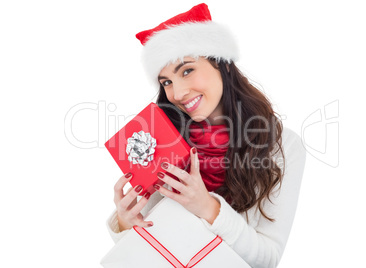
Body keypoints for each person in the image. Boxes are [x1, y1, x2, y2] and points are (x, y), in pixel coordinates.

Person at [106, 3, 306, 268]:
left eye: (187, 70)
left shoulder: (282, 146)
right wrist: (126, 222)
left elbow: (267, 260)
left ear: (220, 63)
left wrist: (207, 208)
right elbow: (150, 249)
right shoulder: (163, 139)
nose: (176, 93)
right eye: (166, 82)